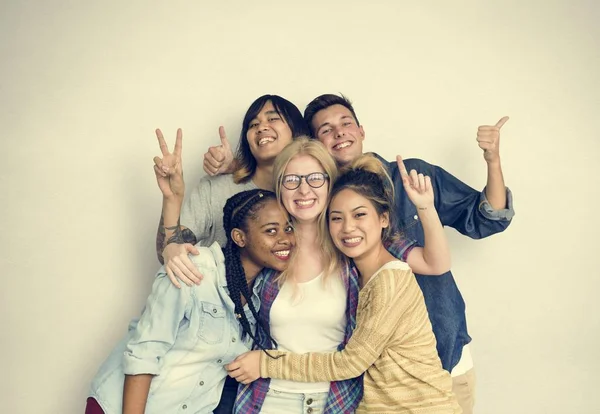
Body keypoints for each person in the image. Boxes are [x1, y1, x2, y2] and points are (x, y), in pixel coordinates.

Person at [302, 94, 515, 413]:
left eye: (346, 123)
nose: (339, 133)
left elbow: (485, 219)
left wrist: (493, 160)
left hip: (442, 364)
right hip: (369, 378)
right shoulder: (314, 200)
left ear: (361, 130)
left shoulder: (409, 177)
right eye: (326, 129)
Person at [228, 137, 452, 414]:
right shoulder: (267, 247)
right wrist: (177, 244)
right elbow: (221, 280)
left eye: (314, 178)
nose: (303, 189)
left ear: (329, 184)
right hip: (271, 396)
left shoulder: (356, 246)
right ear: (278, 187)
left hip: (338, 399)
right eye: (292, 180)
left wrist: (426, 207)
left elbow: (435, 263)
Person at [85, 189, 295, 414]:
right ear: (239, 237)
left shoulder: (264, 293)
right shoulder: (192, 269)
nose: (285, 238)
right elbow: (143, 353)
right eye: (271, 230)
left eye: (288, 228)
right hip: (122, 407)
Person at [153, 94, 309, 287]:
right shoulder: (215, 189)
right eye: (253, 124)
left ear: (297, 132)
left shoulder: (309, 194)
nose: (261, 127)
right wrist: (172, 198)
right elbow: (168, 253)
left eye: (273, 118)